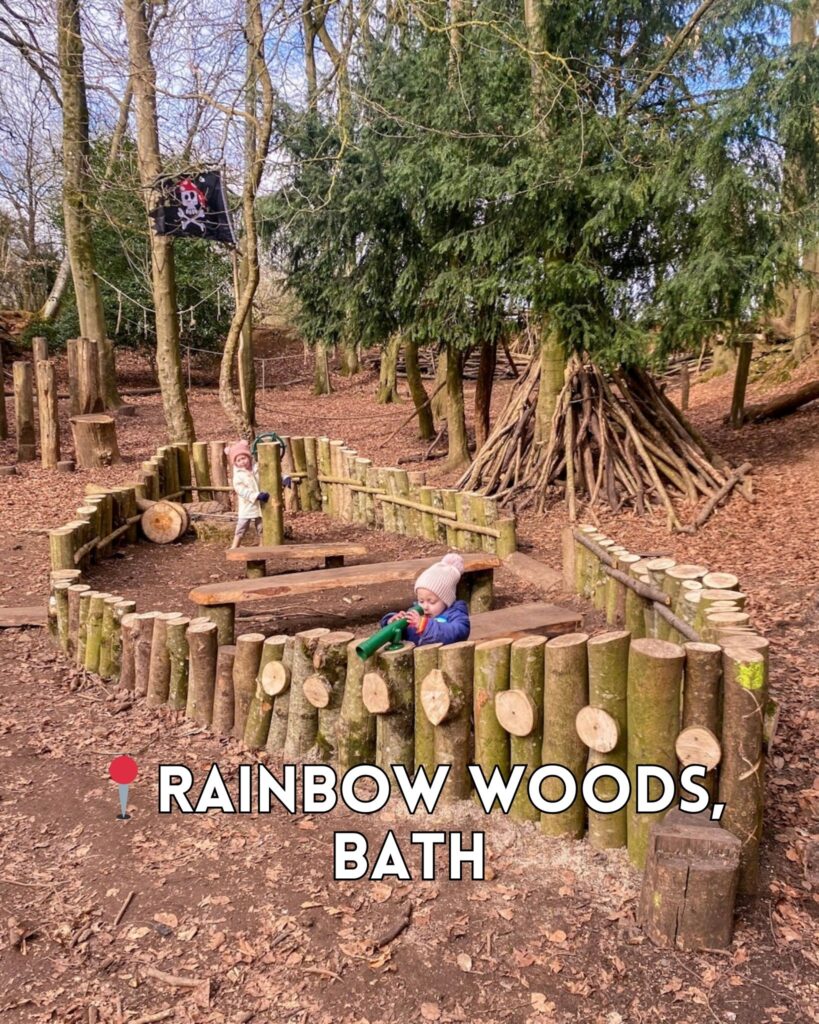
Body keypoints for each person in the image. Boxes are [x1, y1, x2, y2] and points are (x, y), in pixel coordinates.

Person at [379, 552, 470, 646]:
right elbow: (401, 635)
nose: (425, 607)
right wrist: (392, 622)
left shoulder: (455, 615)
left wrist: (425, 625)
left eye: (431, 602)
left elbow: (458, 633)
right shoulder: (417, 614)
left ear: (447, 600)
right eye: (421, 601)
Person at [226, 440, 268, 549]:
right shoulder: (238, 475)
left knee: (261, 526)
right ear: (235, 463)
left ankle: (262, 545)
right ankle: (235, 546)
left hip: (260, 504)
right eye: (238, 460)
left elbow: (270, 472)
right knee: (242, 525)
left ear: (249, 457)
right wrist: (256, 495)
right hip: (247, 504)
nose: (242, 462)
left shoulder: (257, 467)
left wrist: (284, 477)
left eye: (243, 458)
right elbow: (241, 490)